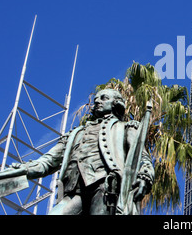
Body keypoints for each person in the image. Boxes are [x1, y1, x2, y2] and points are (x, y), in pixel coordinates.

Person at [11, 88, 154, 215]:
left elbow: (141, 157)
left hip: (105, 186)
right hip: (74, 189)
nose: (97, 101)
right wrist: (25, 169)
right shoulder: (75, 134)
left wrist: (145, 177)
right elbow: (48, 161)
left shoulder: (126, 128)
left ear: (116, 103)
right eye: (96, 99)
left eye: (104, 98)